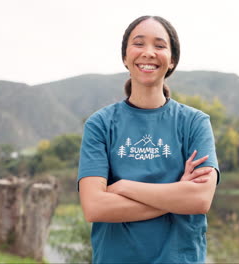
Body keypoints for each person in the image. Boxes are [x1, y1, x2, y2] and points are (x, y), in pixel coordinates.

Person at [78, 15, 220, 263]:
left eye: (160, 45)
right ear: (125, 56)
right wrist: (176, 197)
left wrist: (122, 187)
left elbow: (199, 199)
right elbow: (95, 207)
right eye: (139, 43)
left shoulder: (194, 123)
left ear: (172, 59)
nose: (149, 53)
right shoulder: (99, 125)